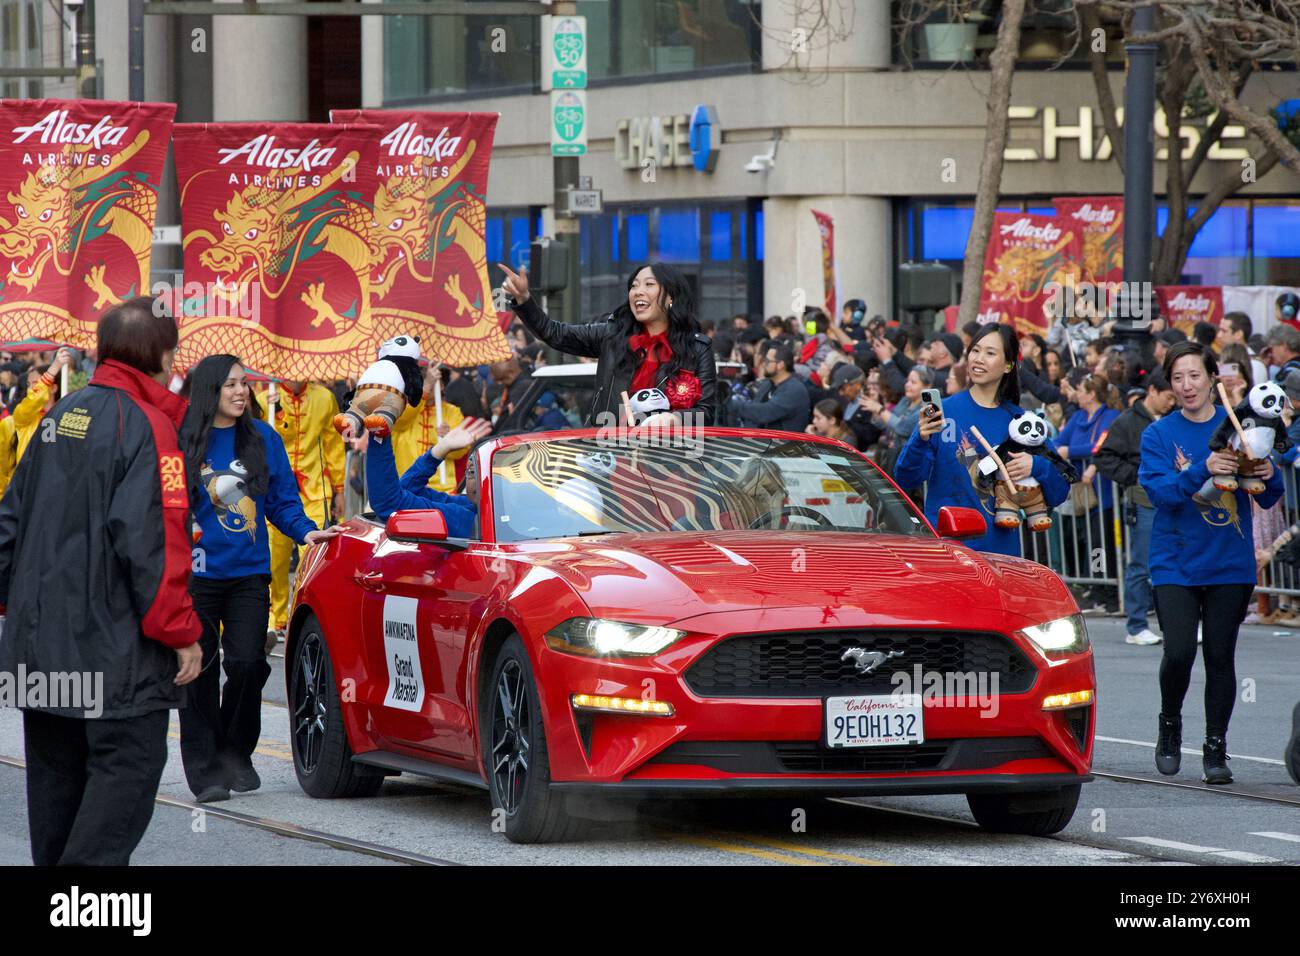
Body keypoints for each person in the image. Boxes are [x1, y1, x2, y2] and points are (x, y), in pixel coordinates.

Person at [0, 297, 202, 865]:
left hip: (42, 652)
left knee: (56, 798)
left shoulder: (57, 417)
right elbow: (156, 543)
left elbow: (9, 524)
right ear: (161, 354)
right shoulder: (149, 427)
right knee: (120, 792)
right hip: (114, 658)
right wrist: (180, 630)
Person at [178, 355, 346, 803]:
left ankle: (235, 753)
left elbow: (282, 501)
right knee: (199, 672)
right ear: (209, 390)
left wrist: (305, 530)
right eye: (230, 384)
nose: (240, 392)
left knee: (249, 664)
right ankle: (206, 771)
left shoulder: (263, 439)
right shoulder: (182, 440)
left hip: (249, 575)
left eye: (244, 384)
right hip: (195, 577)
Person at [1139, 340, 1283, 784]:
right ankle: (1169, 725)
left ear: (1212, 378)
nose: (1186, 386)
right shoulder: (1158, 435)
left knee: (1221, 656)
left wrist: (1267, 473)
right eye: (1178, 377)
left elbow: (1271, 497)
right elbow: (1162, 494)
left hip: (1229, 561)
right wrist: (1202, 466)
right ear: (1169, 383)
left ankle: (1216, 748)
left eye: (1195, 376)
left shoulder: (1238, 424)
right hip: (1175, 561)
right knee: (1180, 652)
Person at [894, 323, 1071, 555]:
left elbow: (1060, 491)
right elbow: (905, 478)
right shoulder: (944, 412)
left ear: (1008, 365)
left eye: (990, 353)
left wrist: (1036, 465)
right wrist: (921, 439)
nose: (978, 359)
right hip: (947, 552)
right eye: (975, 350)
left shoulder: (1021, 423)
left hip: (1001, 556)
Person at [501, 260, 716, 427]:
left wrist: (675, 419)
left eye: (649, 284)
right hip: (610, 458)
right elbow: (554, 333)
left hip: (670, 465)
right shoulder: (612, 336)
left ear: (671, 297)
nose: (638, 291)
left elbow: (705, 413)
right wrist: (524, 300)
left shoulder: (697, 349)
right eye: (634, 286)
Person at [253, 379, 347, 651]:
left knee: (313, 557)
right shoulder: (263, 399)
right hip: (275, 491)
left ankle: (306, 616)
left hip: (315, 490)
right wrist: (273, 413)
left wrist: (339, 489)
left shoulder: (325, 398)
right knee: (275, 559)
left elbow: (332, 444)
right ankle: (275, 620)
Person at [1094, 370, 1176, 645]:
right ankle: (1137, 624)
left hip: (1174, 498)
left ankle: (1176, 623)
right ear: (1152, 390)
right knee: (1142, 563)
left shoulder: (1172, 419)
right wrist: (1133, 476)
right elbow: (1104, 457)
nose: (1172, 402)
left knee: (1174, 563)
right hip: (1144, 501)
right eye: (1168, 396)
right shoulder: (1127, 422)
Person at [357, 416, 493, 528]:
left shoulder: (470, 520)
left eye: (491, 474)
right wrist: (441, 448)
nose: (480, 479)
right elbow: (408, 490)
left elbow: (388, 502)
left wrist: (381, 424)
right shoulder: (468, 507)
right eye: (471, 472)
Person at [393, 362, 468, 492]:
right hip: (406, 485)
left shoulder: (453, 412)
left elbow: (460, 453)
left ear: (442, 386)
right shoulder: (402, 408)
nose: (424, 385)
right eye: (420, 382)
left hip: (442, 488)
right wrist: (426, 387)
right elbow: (400, 422)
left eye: (431, 381)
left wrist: (449, 439)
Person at [732, 342, 811, 433]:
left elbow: (765, 413)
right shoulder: (769, 383)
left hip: (784, 445)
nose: (764, 364)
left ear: (780, 365)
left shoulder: (795, 390)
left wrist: (734, 405)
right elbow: (754, 413)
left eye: (768, 361)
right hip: (762, 442)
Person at [12, 347, 73, 464]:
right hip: (29, 479)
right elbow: (35, 399)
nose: (30, 389)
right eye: (28, 384)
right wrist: (54, 367)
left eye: (35, 383)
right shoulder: (22, 414)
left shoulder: (65, 416)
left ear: (53, 388)